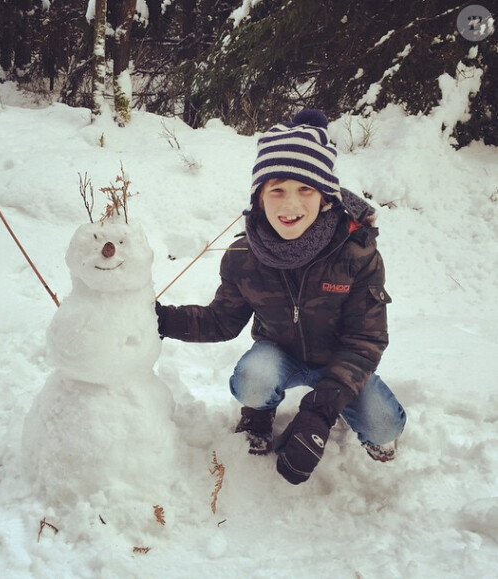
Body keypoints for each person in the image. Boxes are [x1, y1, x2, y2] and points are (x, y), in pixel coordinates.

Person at [156, 109, 406, 485]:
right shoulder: (244, 257)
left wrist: (318, 412)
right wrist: (160, 319)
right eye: (277, 190)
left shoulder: (356, 254)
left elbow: (364, 341)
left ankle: (349, 410)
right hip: (279, 354)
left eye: (305, 189)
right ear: (259, 198)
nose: (290, 205)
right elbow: (221, 320)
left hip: (341, 360)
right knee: (252, 379)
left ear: (325, 197)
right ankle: (258, 414)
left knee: (385, 424)